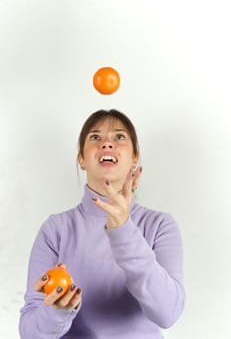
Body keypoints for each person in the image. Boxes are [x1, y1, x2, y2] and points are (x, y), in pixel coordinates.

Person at [19, 109, 185, 339]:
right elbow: (29, 333)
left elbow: (168, 313)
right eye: (95, 137)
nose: (107, 143)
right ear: (81, 159)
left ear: (134, 157)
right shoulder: (55, 230)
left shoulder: (159, 226)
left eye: (119, 137)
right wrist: (57, 312)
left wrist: (123, 229)